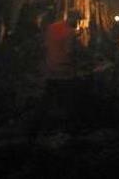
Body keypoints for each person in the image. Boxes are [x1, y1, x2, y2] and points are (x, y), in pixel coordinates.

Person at [29, 9, 85, 141]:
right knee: (68, 103)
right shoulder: (70, 32)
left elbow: (45, 46)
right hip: (64, 72)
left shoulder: (52, 27)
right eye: (77, 20)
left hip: (50, 70)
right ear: (72, 18)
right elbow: (69, 51)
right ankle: (67, 131)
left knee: (46, 101)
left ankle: (36, 129)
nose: (78, 23)